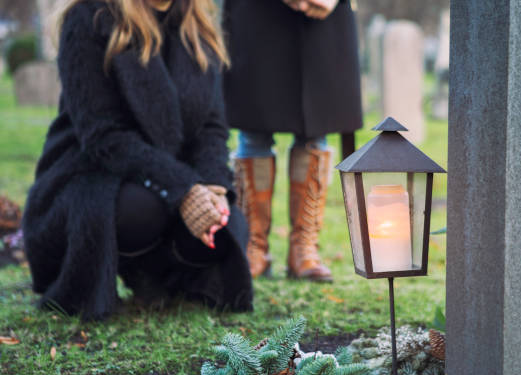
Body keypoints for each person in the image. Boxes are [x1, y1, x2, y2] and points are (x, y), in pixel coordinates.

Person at [22, 0, 253, 320]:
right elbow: (102, 136)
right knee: (147, 207)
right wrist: (184, 190)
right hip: (89, 178)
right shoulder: (90, 17)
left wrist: (212, 188)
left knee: (228, 224)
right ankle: (126, 268)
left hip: (174, 179)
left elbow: (211, 128)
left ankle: (160, 278)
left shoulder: (196, 24)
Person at [222, 0, 363, 282]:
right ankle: (254, 245)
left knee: (316, 126)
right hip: (257, 12)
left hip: (324, 13)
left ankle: (303, 248)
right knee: (253, 122)